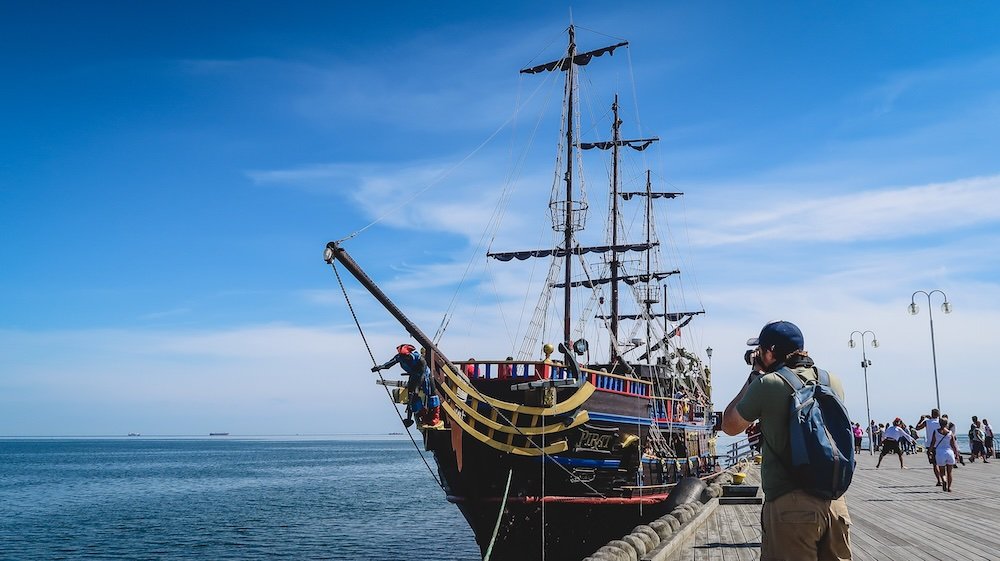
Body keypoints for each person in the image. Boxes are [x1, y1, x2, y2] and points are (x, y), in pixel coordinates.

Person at [722, 320, 851, 561]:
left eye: (759, 350)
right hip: (834, 504)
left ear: (769, 352)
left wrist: (754, 377)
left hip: (789, 505)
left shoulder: (768, 384)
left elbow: (729, 425)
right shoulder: (831, 380)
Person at [372, 343, 441, 428]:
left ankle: (435, 416)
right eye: (402, 356)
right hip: (414, 375)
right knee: (412, 398)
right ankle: (421, 414)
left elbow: (422, 374)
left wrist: (417, 387)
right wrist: (380, 367)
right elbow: (389, 364)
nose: (404, 359)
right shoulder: (399, 357)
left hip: (425, 375)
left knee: (431, 394)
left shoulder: (419, 359)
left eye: (406, 356)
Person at [929, 419, 961, 492]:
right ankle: (949, 488)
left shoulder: (936, 431)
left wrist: (929, 451)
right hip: (949, 452)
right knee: (949, 472)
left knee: (942, 471)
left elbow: (933, 442)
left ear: (939, 423)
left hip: (940, 453)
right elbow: (953, 445)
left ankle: (944, 480)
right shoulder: (950, 433)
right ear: (947, 424)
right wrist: (957, 454)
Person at [915, 410, 943, 486]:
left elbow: (917, 428)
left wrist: (921, 419)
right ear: (939, 414)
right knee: (942, 464)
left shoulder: (927, 422)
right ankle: (944, 478)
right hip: (941, 444)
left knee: (935, 464)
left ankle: (939, 480)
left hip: (930, 445)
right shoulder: (941, 422)